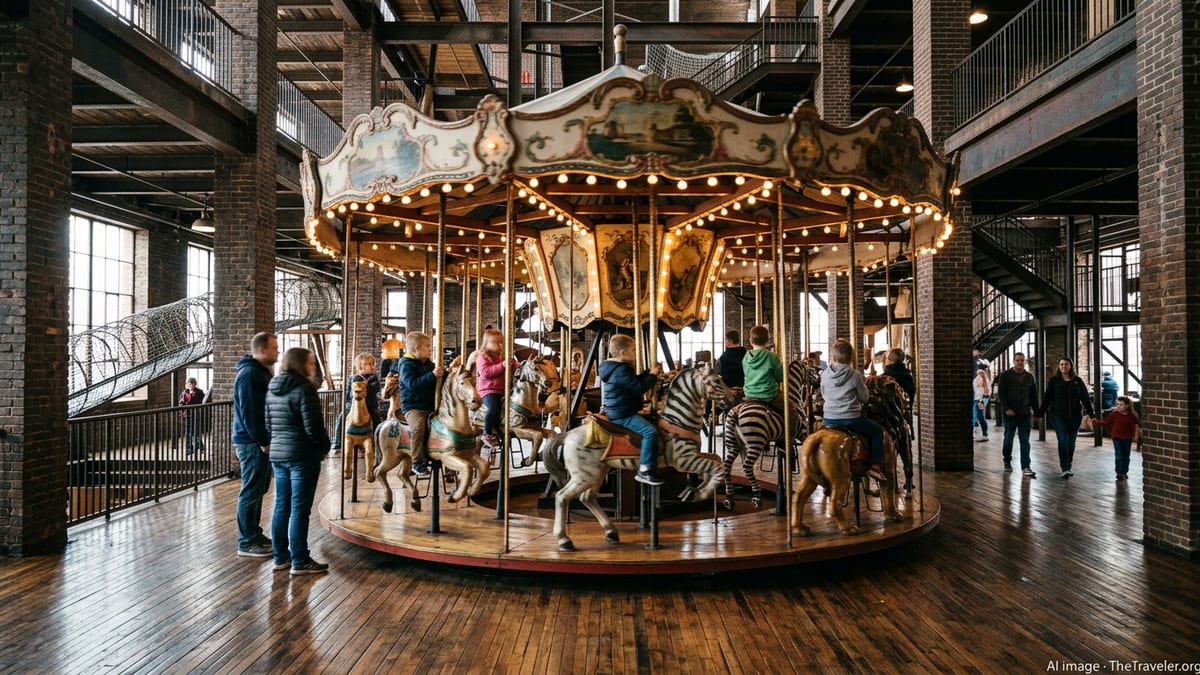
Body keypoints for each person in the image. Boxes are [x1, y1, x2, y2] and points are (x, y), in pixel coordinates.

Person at [265, 347, 331, 576]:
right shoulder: (305, 388)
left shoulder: (272, 387)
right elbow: (313, 426)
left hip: (279, 455)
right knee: (300, 509)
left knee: (281, 506)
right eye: (311, 363)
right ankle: (300, 559)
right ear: (301, 364)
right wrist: (325, 446)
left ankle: (280, 556)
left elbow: (268, 423)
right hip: (302, 455)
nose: (313, 367)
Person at [232, 331, 278, 558]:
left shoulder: (257, 372)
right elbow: (250, 412)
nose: (277, 352)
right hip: (252, 442)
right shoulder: (250, 374)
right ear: (262, 350)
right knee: (251, 489)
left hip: (256, 441)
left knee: (258, 488)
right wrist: (263, 440)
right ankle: (247, 540)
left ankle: (254, 533)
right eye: (274, 348)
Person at [598, 334, 662, 485]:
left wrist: (648, 373)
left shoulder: (617, 368)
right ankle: (645, 470)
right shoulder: (620, 370)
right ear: (622, 353)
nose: (635, 353)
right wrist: (652, 377)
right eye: (633, 350)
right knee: (650, 432)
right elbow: (638, 388)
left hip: (620, 408)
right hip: (621, 413)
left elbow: (633, 381)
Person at [821, 339, 886, 482]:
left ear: (833, 357)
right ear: (851, 359)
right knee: (876, 431)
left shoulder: (824, 374)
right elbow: (864, 397)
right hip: (850, 418)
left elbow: (824, 394)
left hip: (829, 418)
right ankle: (875, 466)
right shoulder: (855, 375)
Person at [1038, 357, 1096, 479]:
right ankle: (1065, 468)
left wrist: (1092, 415)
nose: (1064, 366)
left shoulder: (1078, 381)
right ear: (1059, 367)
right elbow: (1047, 398)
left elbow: (1085, 399)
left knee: (1071, 442)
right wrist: (1040, 413)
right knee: (1063, 440)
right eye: (1061, 364)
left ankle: (1068, 465)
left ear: (1071, 366)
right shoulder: (1054, 381)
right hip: (1058, 415)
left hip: (1075, 416)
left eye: (1066, 364)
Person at [399, 331, 445, 476]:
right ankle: (417, 461)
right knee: (419, 427)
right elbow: (412, 384)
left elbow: (438, 378)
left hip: (430, 405)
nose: (430, 349)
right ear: (417, 348)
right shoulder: (406, 364)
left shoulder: (427, 363)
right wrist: (432, 375)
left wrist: (448, 373)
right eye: (427, 346)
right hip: (413, 406)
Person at [996, 352, 1039, 477]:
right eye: (1018, 360)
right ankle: (1007, 460)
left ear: (1024, 362)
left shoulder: (1029, 377)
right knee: (1009, 438)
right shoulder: (1005, 376)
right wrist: (1007, 408)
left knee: (1025, 440)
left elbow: (1034, 396)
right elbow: (1001, 394)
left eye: (1022, 360)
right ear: (1013, 361)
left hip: (1025, 413)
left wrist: (1037, 412)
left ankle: (1026, 466)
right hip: (1010, 414)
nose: (1020, 362)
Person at [475, 328, 517, 450]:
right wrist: (502, 366)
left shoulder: (502, 357)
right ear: (486, 343)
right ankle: (487, 433)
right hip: (488, 390)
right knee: (493, 408)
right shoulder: (482, 357)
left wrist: (519, 366)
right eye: (495, 342)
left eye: (501, 342)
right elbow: (485, 372)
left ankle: (501, 428)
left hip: (502, 390)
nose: (500, 345)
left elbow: (514, 366)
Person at [331, 353, 381, 453]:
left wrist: (365, 384)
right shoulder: (352, 378)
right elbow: (348, 394)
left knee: (376, 417)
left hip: (369, 404)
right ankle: (337, 442)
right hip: (353, 404)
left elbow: (372, 391)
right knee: (341, 416)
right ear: (360, 366)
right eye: (369, 364)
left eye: (372, 364)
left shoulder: (373, 378)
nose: (372, 367)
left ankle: (377, 442)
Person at [1095, 395, 1141, 481]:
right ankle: (1119, 473)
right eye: (1117, 404)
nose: (1118, 406)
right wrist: (1097, 422)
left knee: (1126, 456)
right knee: (1119, 455)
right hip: (1117, 437)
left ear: (1127, 405)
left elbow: (1137, 423)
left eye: (1121, 405)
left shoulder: (1131, 415)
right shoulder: (1114, 414)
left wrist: (1137, 434)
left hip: (1128, 438)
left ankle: (1124, 472)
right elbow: (1106, 423)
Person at [742, 325, 784, 415]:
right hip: (769, 395)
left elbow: (746, 373)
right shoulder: (771, 356)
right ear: (767, 341)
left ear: (750, 341)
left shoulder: (746, 357)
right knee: (791, 410)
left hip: (749, 394)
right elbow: (780, 377)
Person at [882, 348, 916, 431]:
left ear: (889, 360)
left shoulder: (886, 377)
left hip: (890, 421)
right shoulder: (908, 376)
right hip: (906, 418)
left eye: (886, 358)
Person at [178, 377, 205, 454]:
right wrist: (182, 412)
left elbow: (201, 402)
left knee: (194, 431)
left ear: (195, 384)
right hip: (187, 414)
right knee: (188, 432)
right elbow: (181, 403)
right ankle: (192, 448)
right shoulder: (184, 392)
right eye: (189, 384)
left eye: (192, 384)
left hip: (195, 414)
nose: (190, 385)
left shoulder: (199, 392)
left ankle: (197, 447)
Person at [973, 366, 991, 442]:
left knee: (976, 414)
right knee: (980, 416)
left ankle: (980, 433)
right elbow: (976, 389)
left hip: (983, 398)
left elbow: (986, 392)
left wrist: (981, 401)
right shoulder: (976, 380)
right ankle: (984, 434)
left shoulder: (986, 381)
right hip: (976, 398)